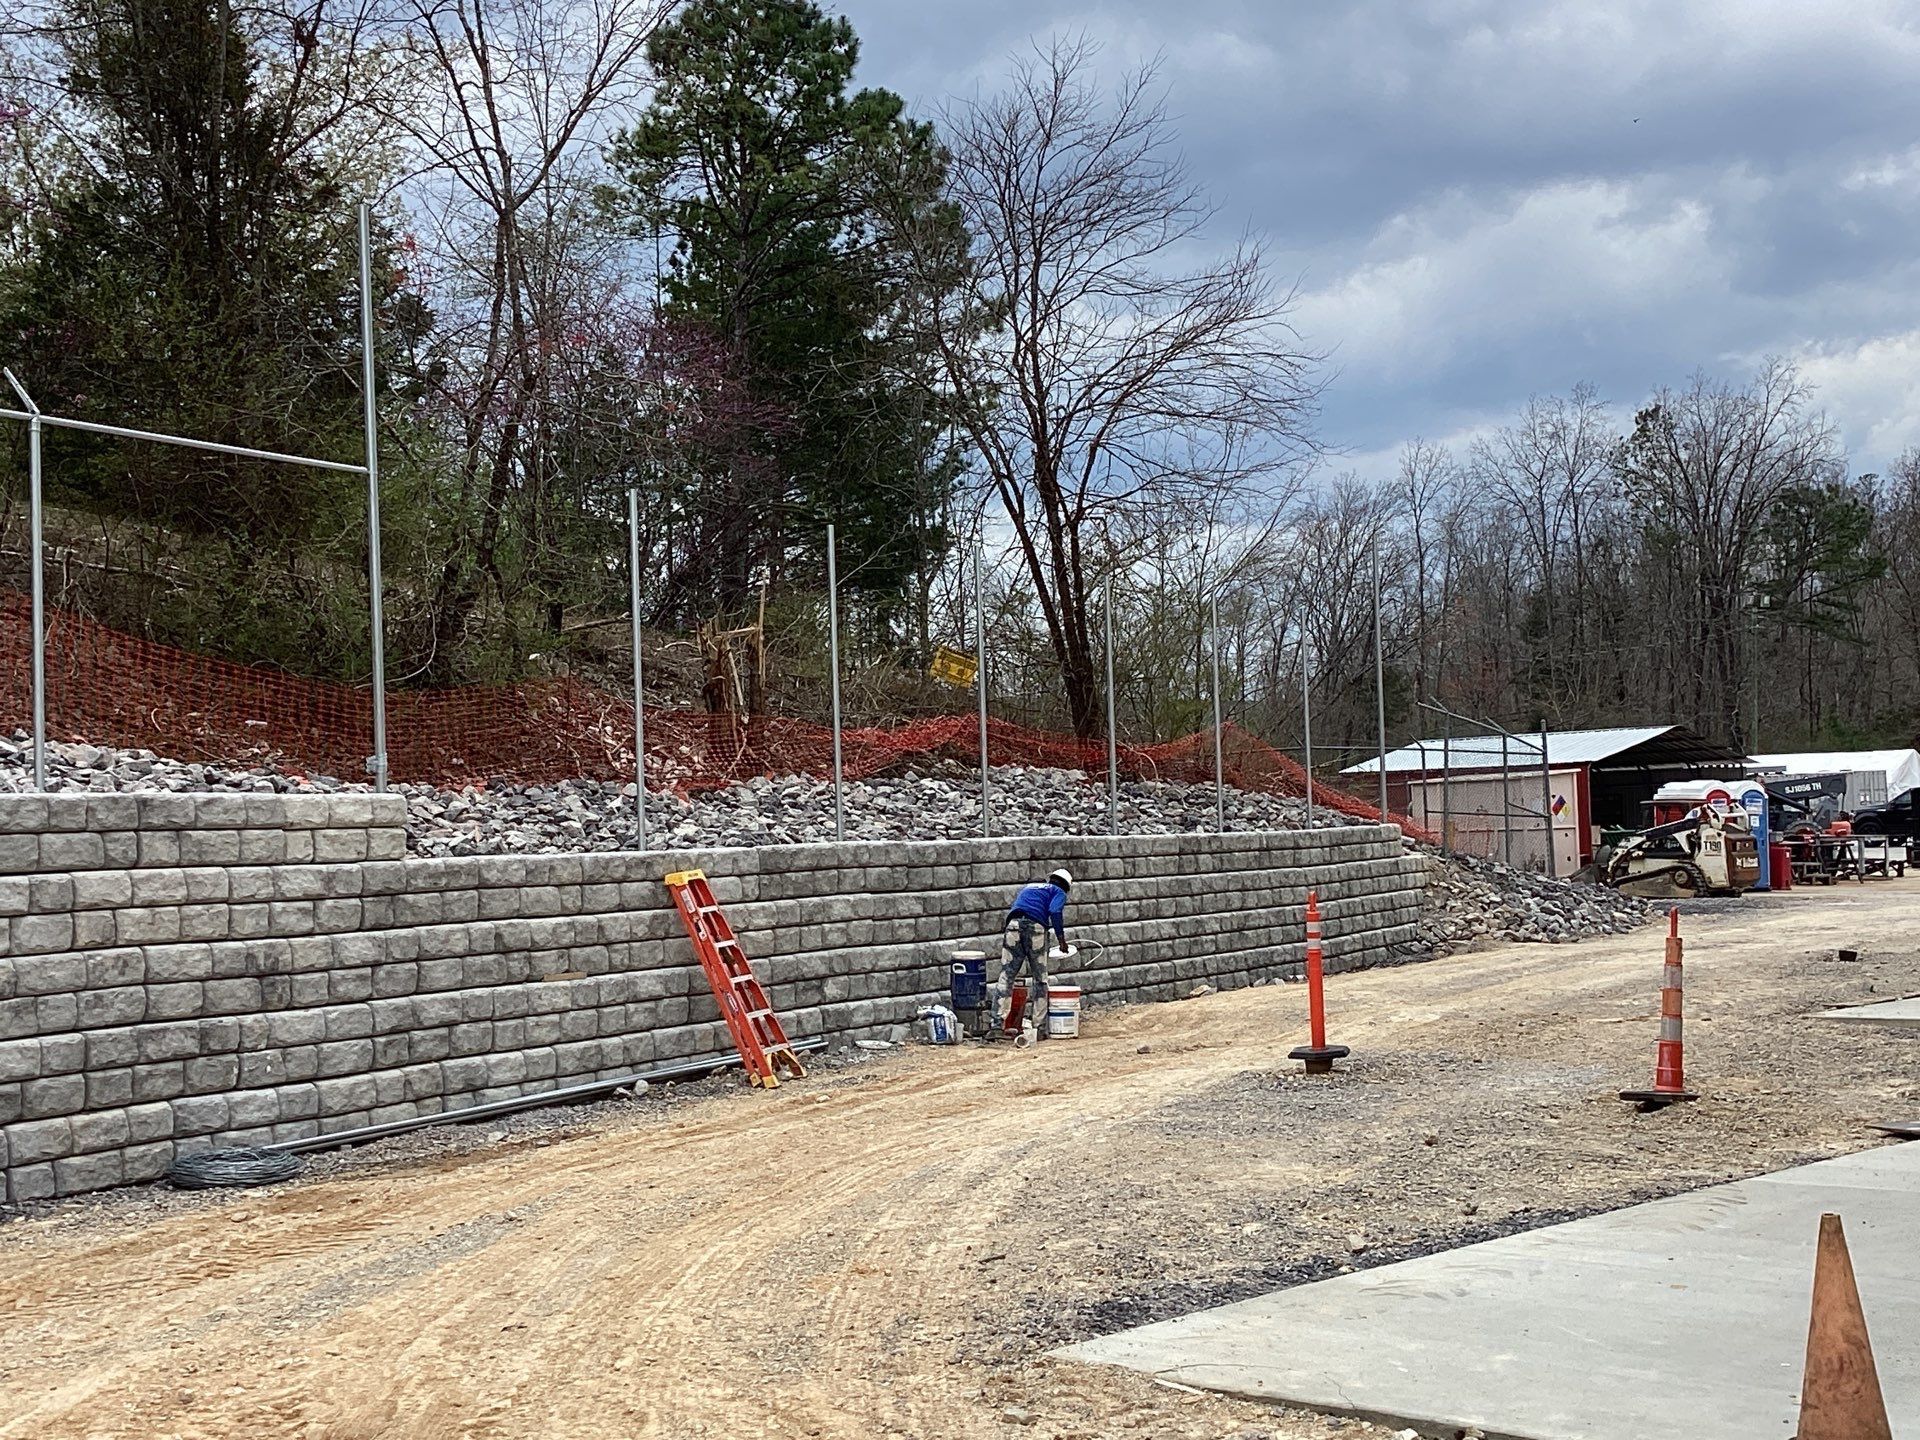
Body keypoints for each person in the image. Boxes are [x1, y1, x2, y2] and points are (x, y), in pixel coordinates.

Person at [999, 868, 1072, 1038]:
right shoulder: (1058, 891)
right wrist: (1061, 940)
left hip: (1013, 926)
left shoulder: (1030, 887)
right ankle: (1038, 1028)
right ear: (1066, 885)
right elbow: (1055, 911)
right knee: (1040, 979)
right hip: (1035, 929)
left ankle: (997, 1024)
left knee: (1006, 976)